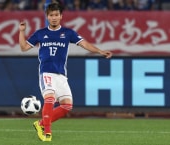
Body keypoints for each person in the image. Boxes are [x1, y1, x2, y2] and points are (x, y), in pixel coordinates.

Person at [18, 3, 112, 142]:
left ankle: (41, 124)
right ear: (47, 17)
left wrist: (99, 51)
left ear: (61, 16)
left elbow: (84, 43)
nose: (54, 18)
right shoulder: (40, 33)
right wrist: (21, 31)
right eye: (51, 15)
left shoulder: (68, 33)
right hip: (46, 72)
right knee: (49, 98)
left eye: (56, 15)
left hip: (61, 75)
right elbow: (24, 47)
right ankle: (47, 133)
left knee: (67, 105)